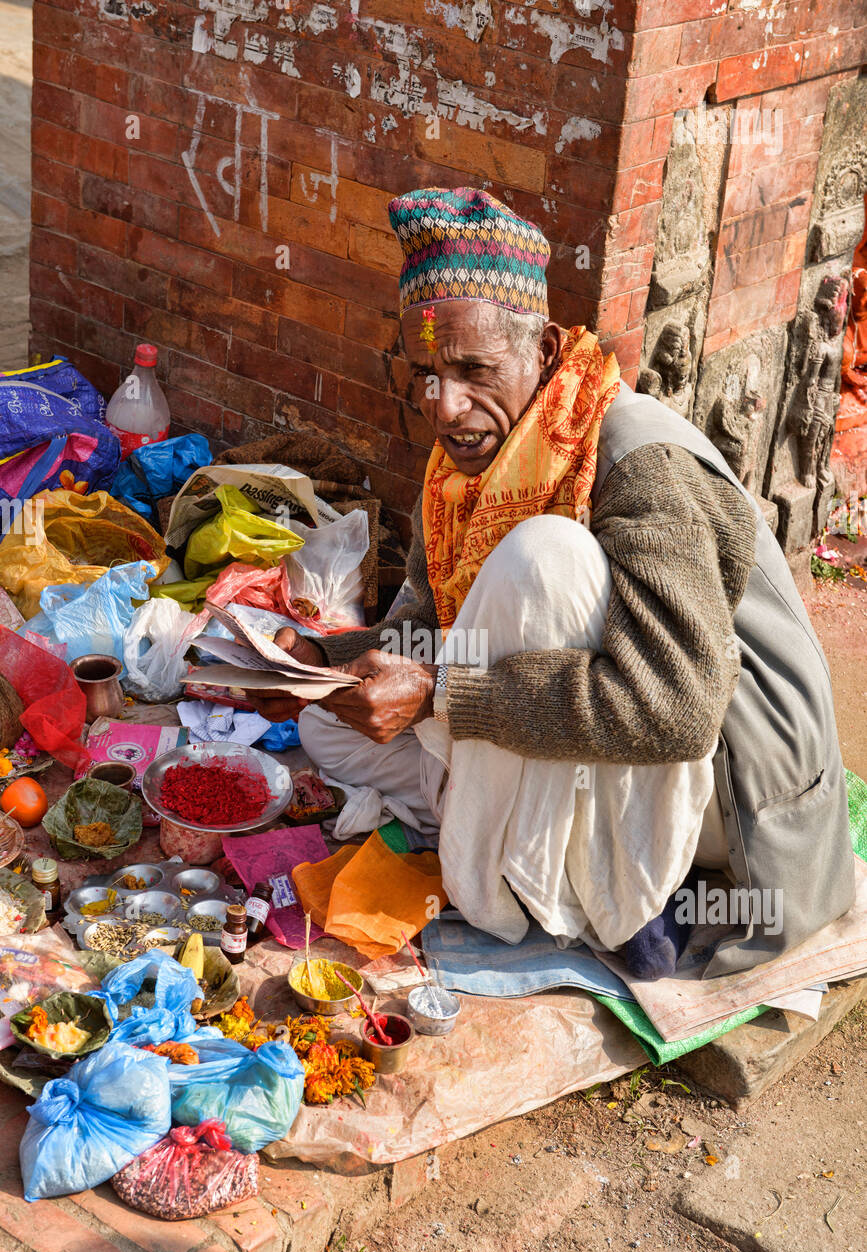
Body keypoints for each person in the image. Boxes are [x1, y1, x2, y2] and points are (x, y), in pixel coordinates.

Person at [251, 187, 855, 980]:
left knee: (544, 558)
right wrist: (318, 661)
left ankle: (606, 894)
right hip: (590, 724)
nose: (444, 405)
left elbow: (672, 711)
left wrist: (440, 695)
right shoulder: (467, 460)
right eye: (427, 373)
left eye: (472, 371)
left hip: (719, 791)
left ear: (539, 349)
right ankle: (523, 836)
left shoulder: (641, 461)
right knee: (330, 726)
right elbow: (430, 630)